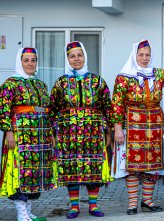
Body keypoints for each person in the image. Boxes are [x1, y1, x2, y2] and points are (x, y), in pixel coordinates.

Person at [112, 39, 164, 215]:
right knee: (131, 166)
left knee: (152, 164)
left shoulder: (158, 74)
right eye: (141, 54)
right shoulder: (124, 77)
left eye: (147, 54)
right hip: (131, 124)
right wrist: (118, 128)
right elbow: (117, 104)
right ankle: (132, 203)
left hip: (154, 125)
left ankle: (147, 201)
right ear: (134, 55)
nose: (144, 58)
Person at [49, 41, 113, 219]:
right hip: (68, 135)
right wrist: (52, 133)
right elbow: (52, 108)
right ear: (68, 59)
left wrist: (108, 131)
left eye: (79, 55)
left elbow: (108, 107)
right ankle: (74, 207)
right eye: (72, 56)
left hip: (93, 133)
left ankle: (93, 205)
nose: (76, 59)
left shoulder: (97, 81)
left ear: (85, 57)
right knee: (72, 169)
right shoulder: (61, 83)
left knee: (93, 167)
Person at [0, 47, 54, 221]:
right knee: (20, 171)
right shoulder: (10, 84)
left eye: (33, 60)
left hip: (38, 136)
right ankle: (21, 214)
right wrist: (8, 131)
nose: (30, 63)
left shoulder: (40, 84)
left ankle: (28, 211)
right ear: (20, 62)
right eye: (26, 60)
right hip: (19, 136)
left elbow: (47, 110)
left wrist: (50, 132)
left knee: (33, 173)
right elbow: (3, 109)